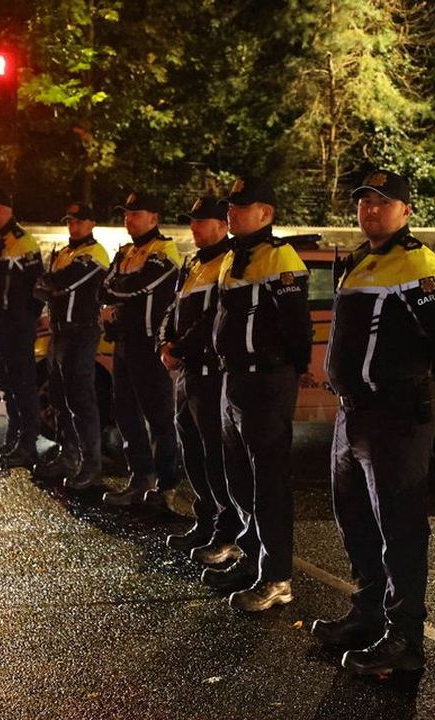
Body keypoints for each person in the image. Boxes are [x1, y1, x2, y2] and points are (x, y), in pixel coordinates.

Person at [311, 169, 435, 677]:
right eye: (364, 202)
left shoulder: (416, 263)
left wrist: (406, 384)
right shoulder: (363, 260)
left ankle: (405, 643)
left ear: (405, 211)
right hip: (354, 415)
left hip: (395, 416)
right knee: (354, 518)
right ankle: (367, 614)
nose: (370, 209)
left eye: (382, 201)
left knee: (399, 527)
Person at [203, 175, 312, 612]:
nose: (231, 212)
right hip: (235, 380)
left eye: (240, 206)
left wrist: (283, 370)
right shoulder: (236, 257)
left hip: (265, 381)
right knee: (240, 479)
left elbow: (295, 328)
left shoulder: (279, 257)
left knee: (268, 483)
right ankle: (254, 558)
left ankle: (278, 578)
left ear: (265, 213)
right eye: (230, 205)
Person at [159, 196, 240, 561]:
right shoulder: (194, 262)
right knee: (192, 450)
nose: (194, 227)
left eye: (201, 221)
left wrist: (180, 347)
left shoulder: (228, 261)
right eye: (192, 220)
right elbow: (172, 307)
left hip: (209, 372)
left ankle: (227, 532)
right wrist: (164, 341)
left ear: (222, 225)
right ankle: (205, 522)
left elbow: (214, 317)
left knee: (214, 455)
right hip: (187, 372)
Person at [99, 192, 181, 506]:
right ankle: (139, 478)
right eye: (126, 213)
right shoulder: (125, 252)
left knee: (158, 416)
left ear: (154, 218)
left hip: (150, 343)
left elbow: (135, 286)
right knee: (126, 413)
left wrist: (118, 290)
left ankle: (166, 485)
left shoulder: (164, 251)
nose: (128, 218)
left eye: (135, 213)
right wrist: (118, 290)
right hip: (123, 342)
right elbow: (103, 287)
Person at [32, 202, 110, 489]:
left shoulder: (95, 253)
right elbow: (43, 286)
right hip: (59, 333)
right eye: (70, 221)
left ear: (91, 224)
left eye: (78, 222)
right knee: (59, 398)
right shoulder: (65, 252)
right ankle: (68, 456)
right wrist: (51, 285)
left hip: (82, 333)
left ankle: (91, 465)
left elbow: (63, 282)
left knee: (81, 401)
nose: (73, 226)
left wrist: (51, 285)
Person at [0, 186, 45, 469]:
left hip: (16, 324)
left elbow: (37, 287)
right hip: (0, 324)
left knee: (23, 385)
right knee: (6, 382)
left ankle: (28, 445)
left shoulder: (23, 241)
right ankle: (13, 438)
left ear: (2, 209)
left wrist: (25, 320)